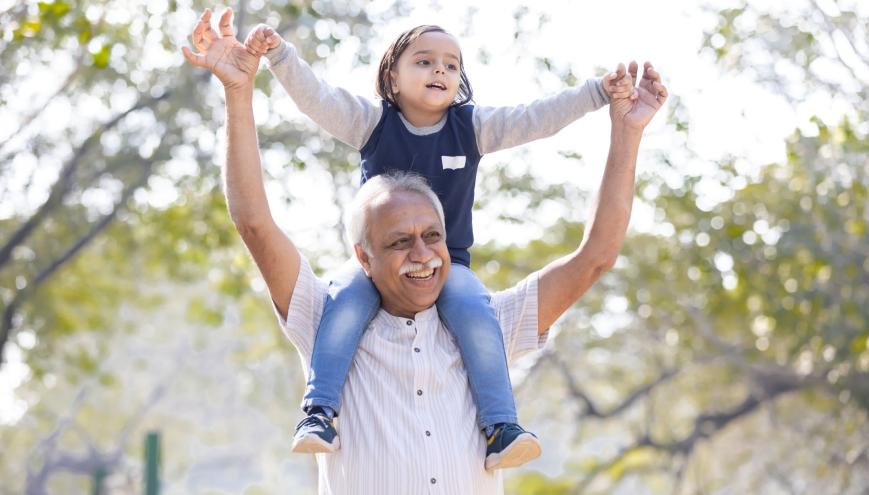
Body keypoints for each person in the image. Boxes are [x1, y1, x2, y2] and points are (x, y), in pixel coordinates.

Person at [182, 7, 667, 492]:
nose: (421, 253)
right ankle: (318, 412)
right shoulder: (326, 315)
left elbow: (593, 245)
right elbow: (260, 212)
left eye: (431, 234)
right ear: (364, 254)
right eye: (399, 240)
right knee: (349, 302)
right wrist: (261, 73)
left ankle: (502, 426)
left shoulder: (488, 321)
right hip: (352, 295)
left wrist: (613, 112)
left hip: (463, 275)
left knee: (468, 300)